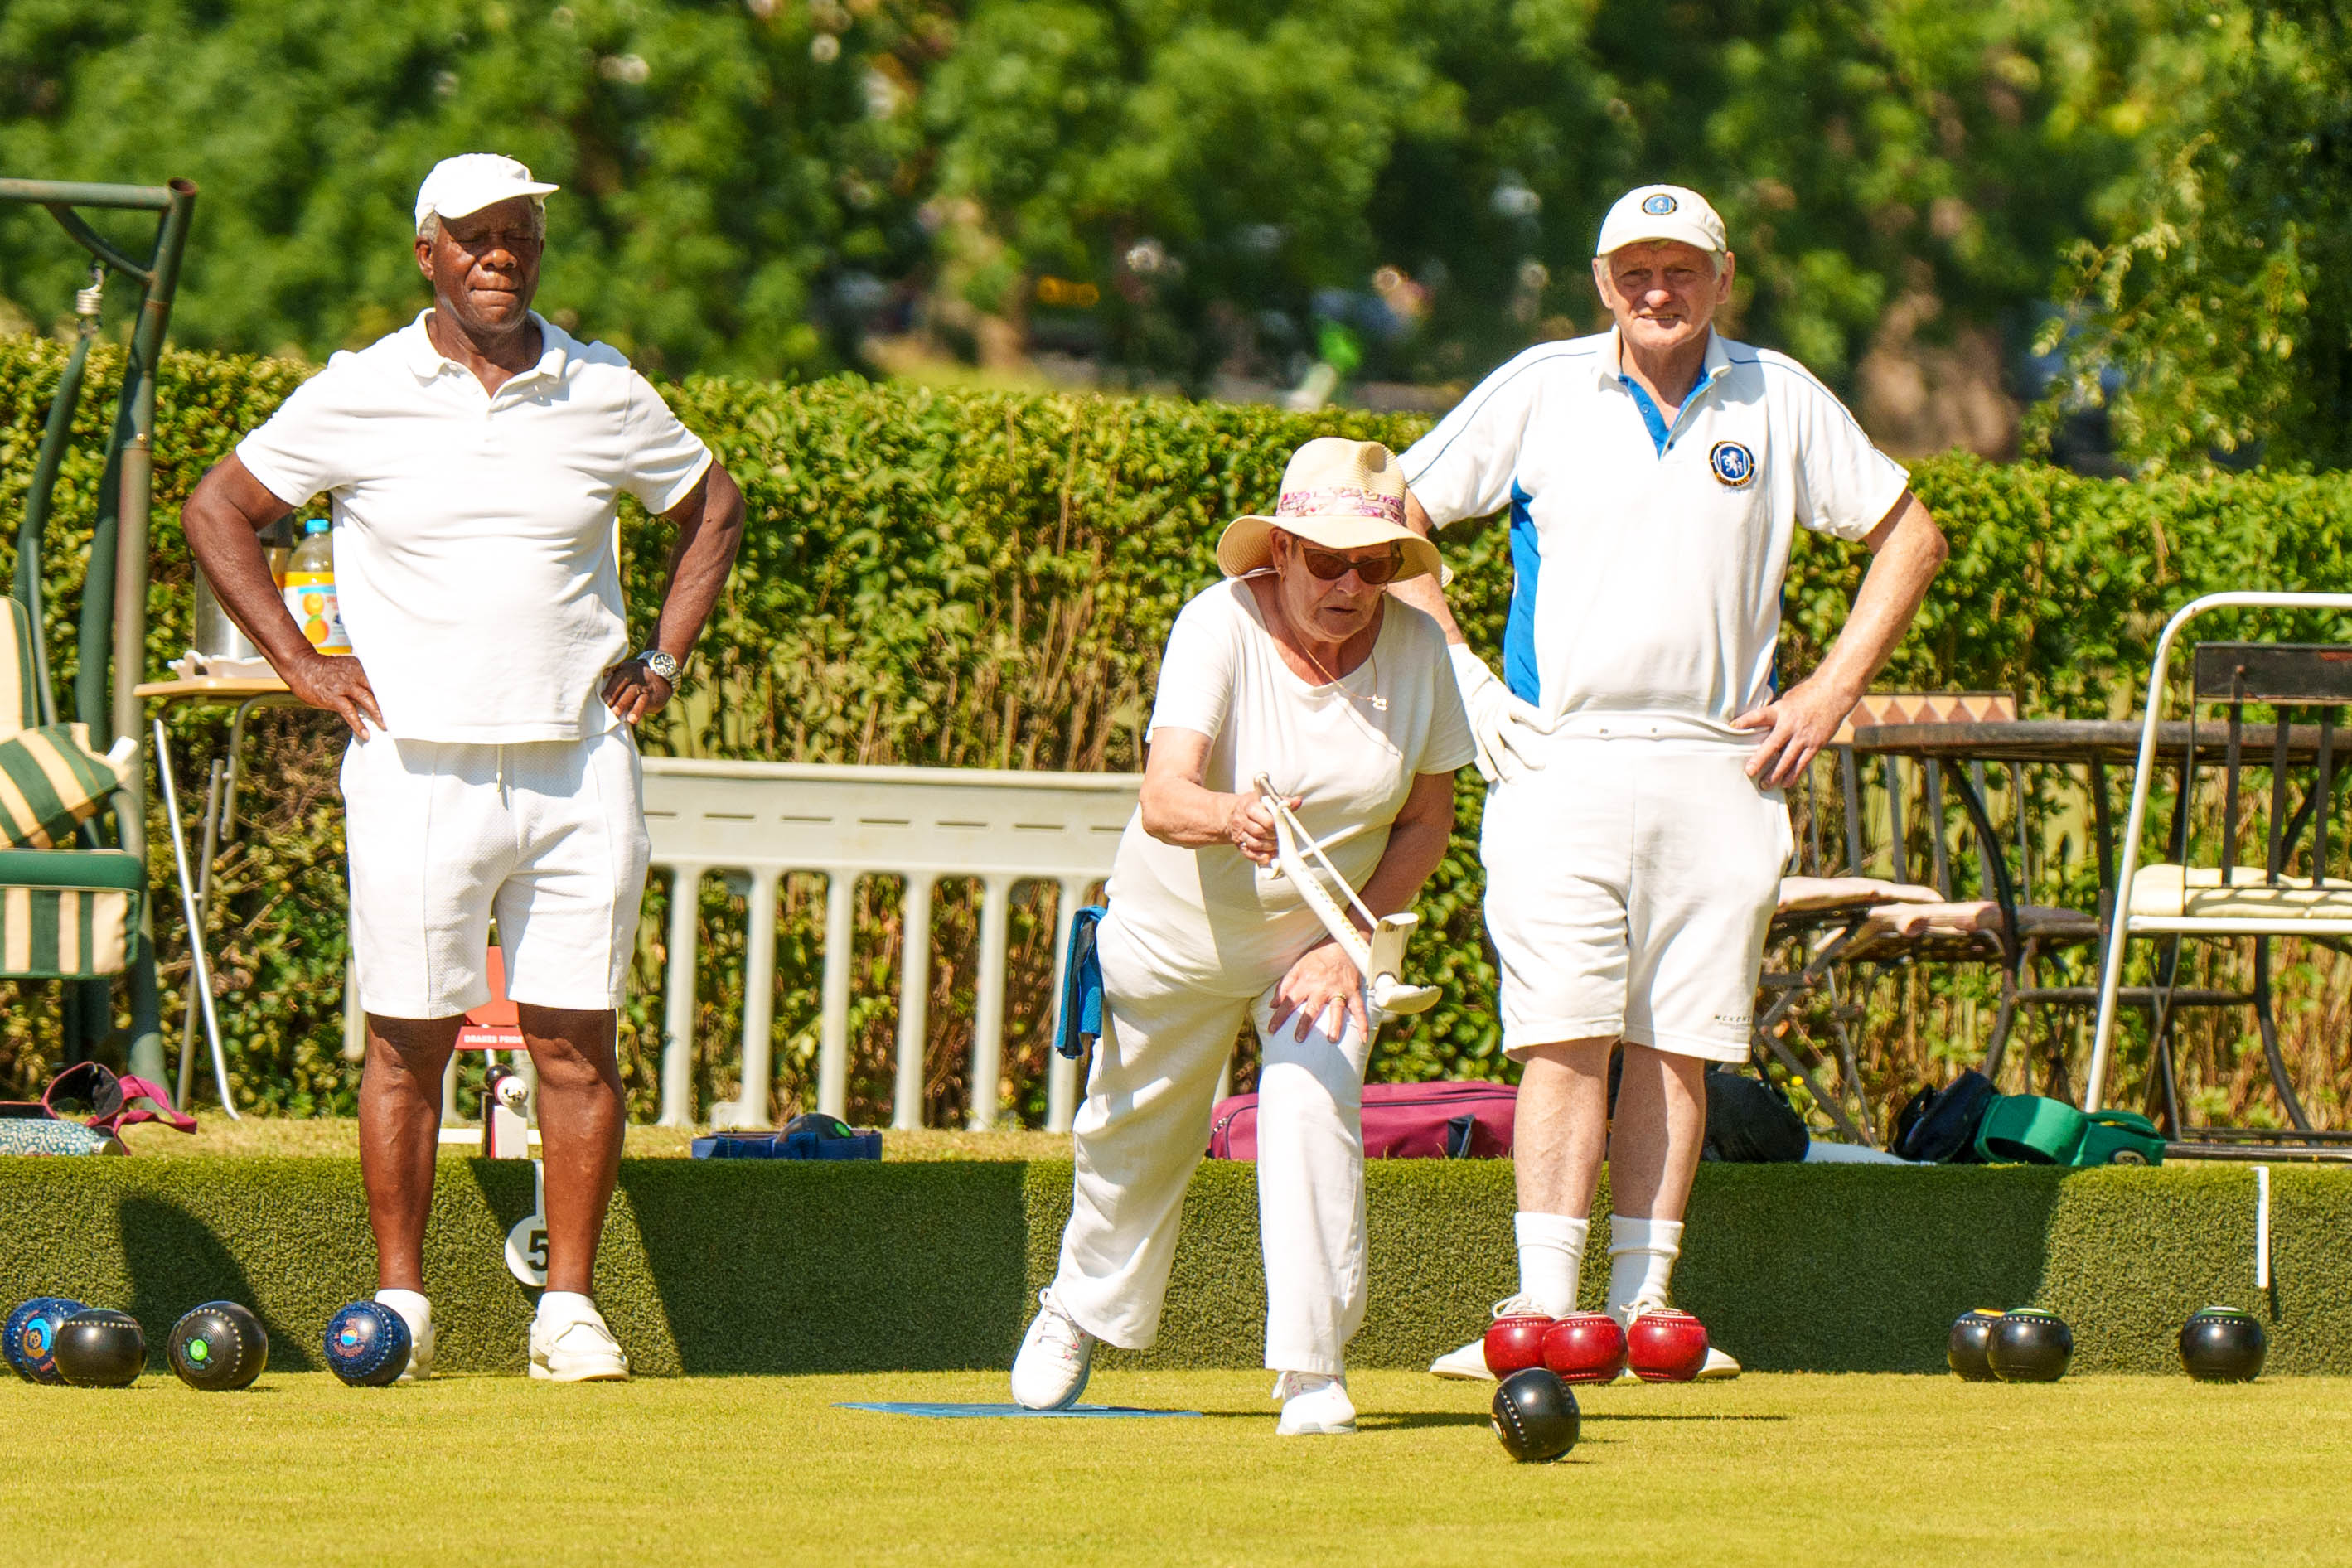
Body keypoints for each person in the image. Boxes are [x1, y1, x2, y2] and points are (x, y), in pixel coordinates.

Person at [181, 153, 746, 1382]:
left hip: (580, 761)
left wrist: (664, 650)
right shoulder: (358, 389)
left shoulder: (602, 385)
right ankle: (404, 1305)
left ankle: (570, 1314)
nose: (501, 255)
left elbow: (713, 503)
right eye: (475, 237)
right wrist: (305, 665)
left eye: (522, 237)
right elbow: (219, 507)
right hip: (413, 764)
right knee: (407, 1041)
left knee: (574, 1040)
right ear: (426, 253)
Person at [1394, 185, 1948, 1379]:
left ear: (1721, 275)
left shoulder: (1780, 395)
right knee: (1561, 1033)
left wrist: (1829, 689)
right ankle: (1540, 1309)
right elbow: (1389, 514)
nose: (1657, 291)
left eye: (1680, 270)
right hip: (1558, 753)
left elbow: (1909, 533)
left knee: (1675, 1042)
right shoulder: (1541, 387)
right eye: (1634, 271)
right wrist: (1462, 681)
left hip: (1720, 756)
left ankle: (1649, 1310)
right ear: (1601, 283)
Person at [1011, 438, 1474, 1434]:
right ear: (1283, 548)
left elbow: (1427, 823)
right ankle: (1074, 1308)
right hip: (1172, 935)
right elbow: (1164, 795)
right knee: (1131, 1138)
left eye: (1375, 563)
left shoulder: (1420, 650)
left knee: (1311, 1103)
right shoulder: (1215, 622)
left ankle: (1312, 1371)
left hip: (1315, 945)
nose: (1350, 583)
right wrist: (1232, 816)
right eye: (1327, 559)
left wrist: (1345, 941)